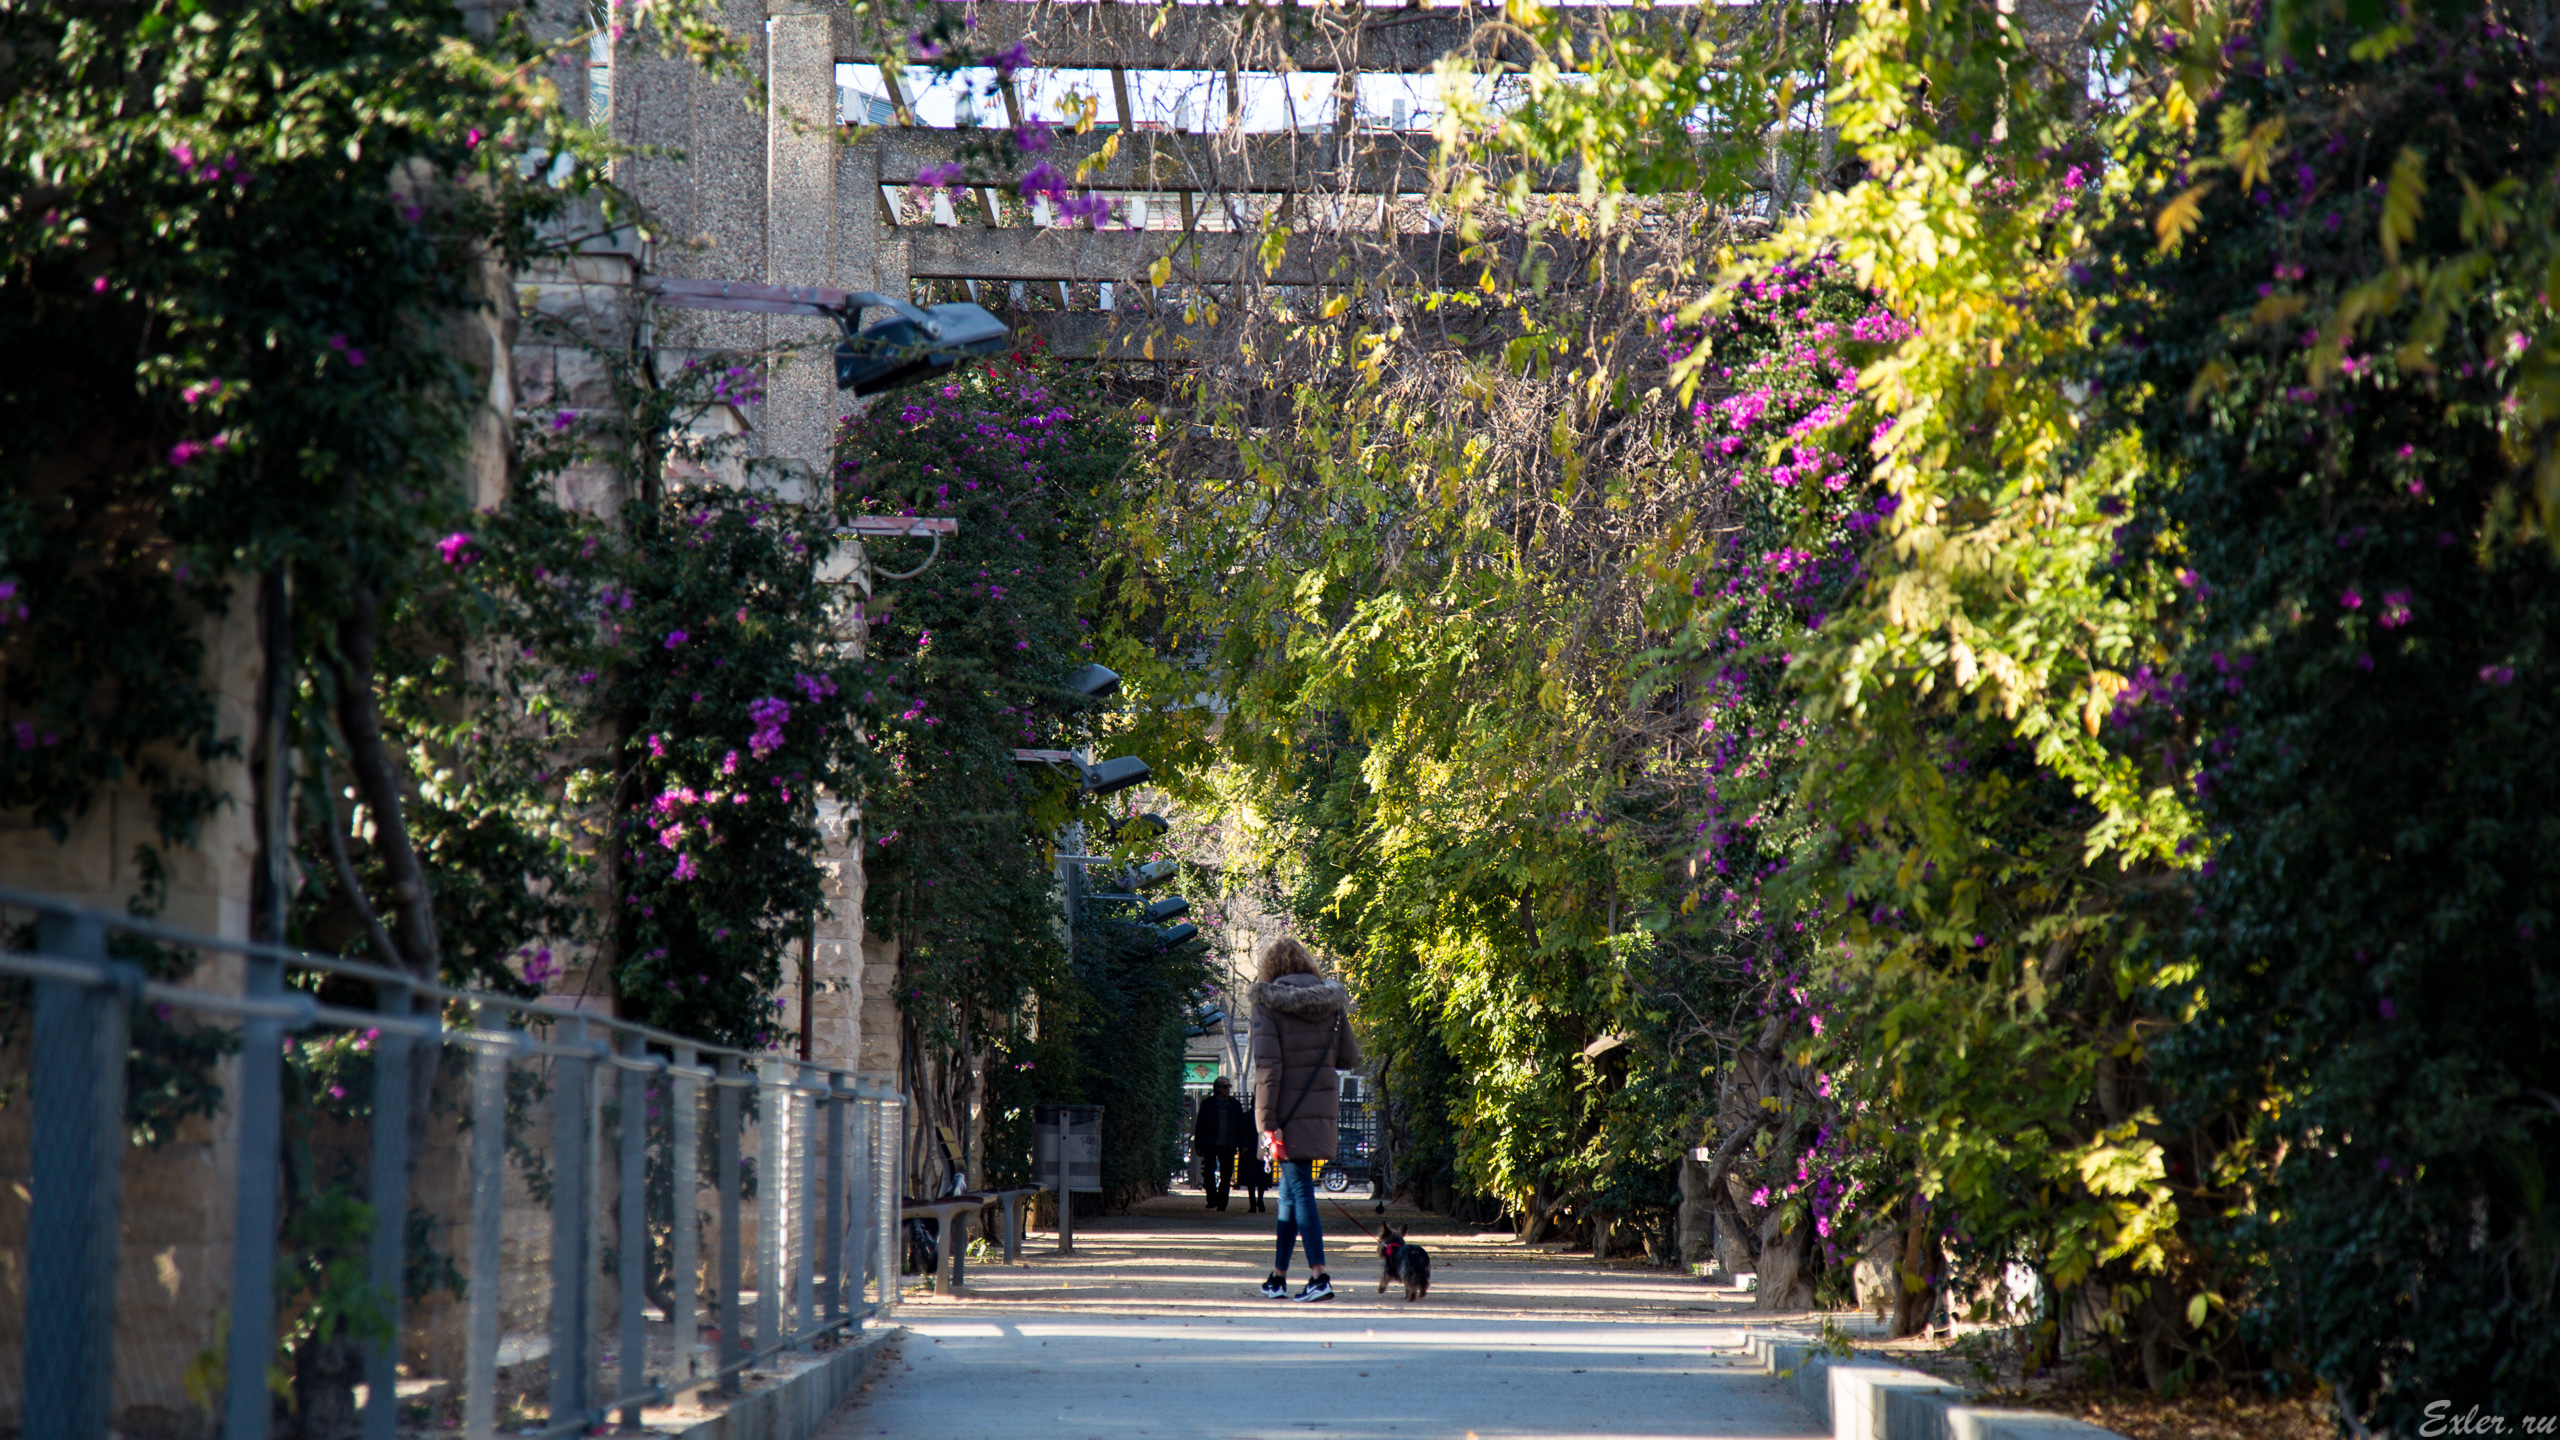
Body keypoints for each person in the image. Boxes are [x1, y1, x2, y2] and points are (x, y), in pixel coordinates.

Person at [1249, 937, 1363, 1301]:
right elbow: (1348, 1058)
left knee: (1300, 1193)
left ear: (1271, 968)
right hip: (1318, 1111)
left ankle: (1319, 1276)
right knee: (1288, 1195)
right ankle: (1278, 1276)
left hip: (1285, 1114)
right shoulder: (1331, 1003)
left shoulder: (1267, 1004)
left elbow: (1268, 1069)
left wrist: (1266, 1123)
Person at [1191, 1075, 1249, 1211]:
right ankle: (1212, 1199)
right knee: (1209, 1172)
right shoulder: (1207, 1104)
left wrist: (1243, 1145)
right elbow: (1200, 1125)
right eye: (1225, 1086)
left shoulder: (1234, 1105)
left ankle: (1222, 1202)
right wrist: (1198, 1145)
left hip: (1228, 1144)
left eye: (1229, 1086)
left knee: (1226, 1174)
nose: (1228, 1089)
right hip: (1210, 1143)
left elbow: (1241, 1126)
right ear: (1217, 1088)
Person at [1242, 1132, 1272, 1213]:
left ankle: (1253, 1203)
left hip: (1252, 1148)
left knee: (1252, 1178)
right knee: (1261, 1176)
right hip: (1262, 1146)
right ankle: (1259, 1201)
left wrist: (1245, 1146)